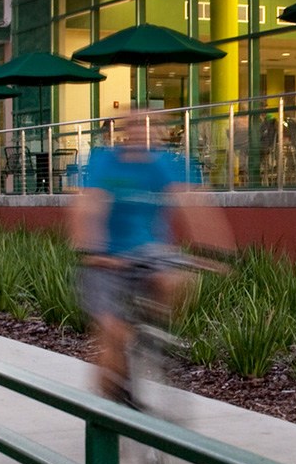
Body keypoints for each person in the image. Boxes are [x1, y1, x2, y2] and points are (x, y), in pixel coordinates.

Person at [71, 107, 231, 404]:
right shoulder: (104, 161)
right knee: (113, 336)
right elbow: (88, 207)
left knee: (178, 280)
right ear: (124, 131)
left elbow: (194, 206)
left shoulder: (165, 164)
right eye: (134, 125)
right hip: (106, 257)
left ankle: (150, 331)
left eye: (148, 126)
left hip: (150, 252)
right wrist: (91, 251)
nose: (141, 131)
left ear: (157, 132)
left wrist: (216, 250)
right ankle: (110, 400)